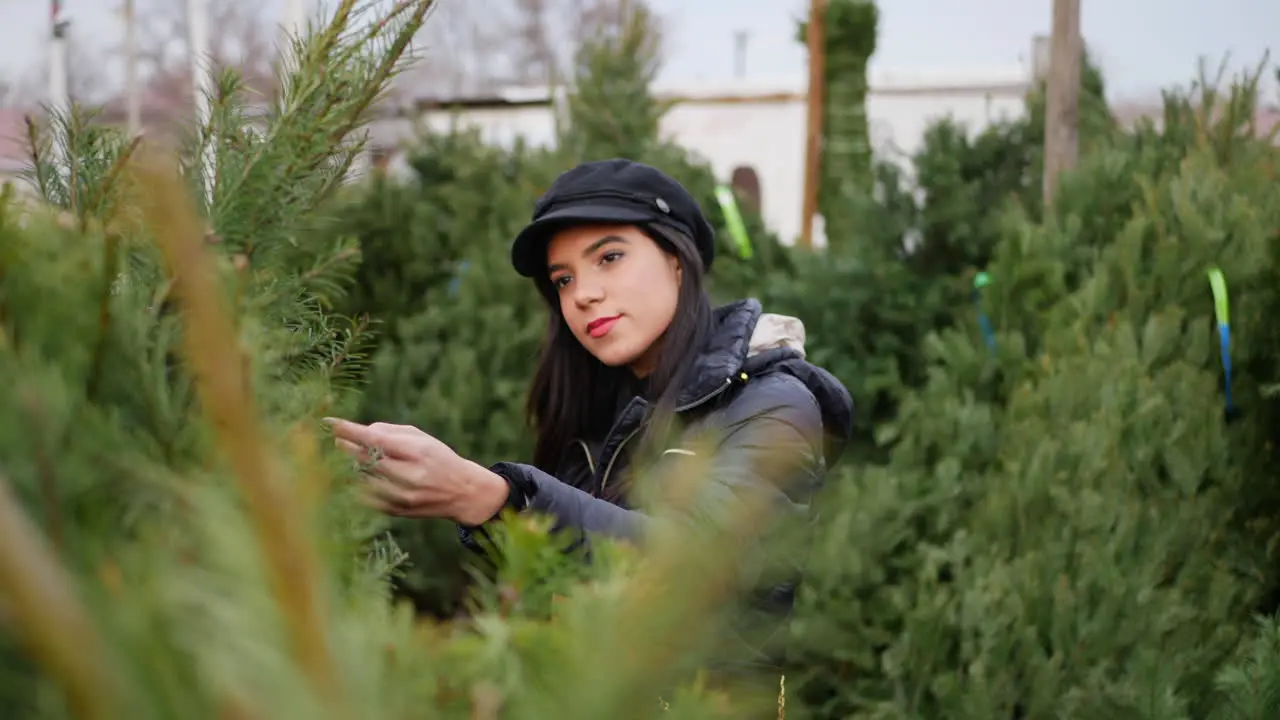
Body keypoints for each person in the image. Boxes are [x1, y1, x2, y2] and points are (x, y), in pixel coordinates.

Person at [326, 158, 854, 672]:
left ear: (677, 258)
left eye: (609, 258)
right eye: (563, 280)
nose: (584, 295)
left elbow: (700, 567)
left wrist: (495, 500)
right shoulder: (597, 415)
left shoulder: (773, 404)